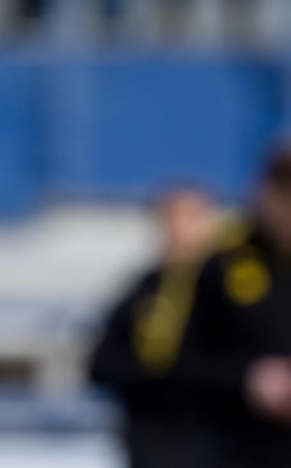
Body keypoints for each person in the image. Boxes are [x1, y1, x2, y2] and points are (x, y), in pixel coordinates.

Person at [170, 146, 291, 468]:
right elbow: (177, 365)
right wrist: (249, 380)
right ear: (261, 191)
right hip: (234, 445)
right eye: (285, 197)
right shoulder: (219, 263)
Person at [89, 185, 219, 468]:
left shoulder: (229, 291)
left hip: (212, 437)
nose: (181, 228)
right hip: (151, 437)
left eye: (192, 217)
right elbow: (100, 363)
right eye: (172, 217)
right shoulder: (143, 289)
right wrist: (151, 375)